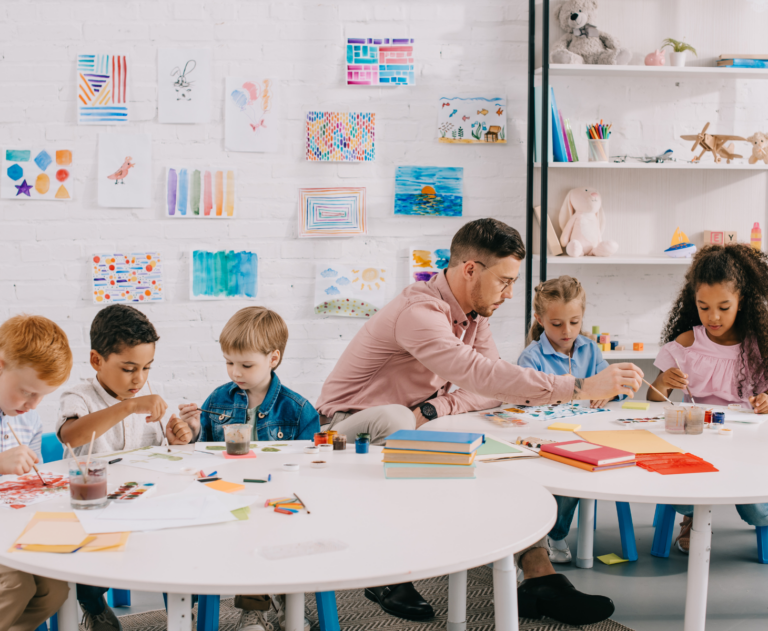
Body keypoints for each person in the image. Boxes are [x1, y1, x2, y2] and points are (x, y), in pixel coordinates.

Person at [316, 218, 644, 626]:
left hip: (415, 420)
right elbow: (483, 375)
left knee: (509, 447)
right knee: (399, 415)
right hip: (343, 429)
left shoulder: (475, 316)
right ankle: (390, 567)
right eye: (504, 281)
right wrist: (579, 386)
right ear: (470, 269)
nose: (510, 294)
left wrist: (439, 408)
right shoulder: (419, 312)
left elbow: (492, 385)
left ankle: (540, 577)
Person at [57, 304, 196, 631]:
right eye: (129, 368)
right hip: (94, 508)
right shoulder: (79, 396)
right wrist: (129, 406)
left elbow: (161, 453)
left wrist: (178, 440)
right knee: (84, 551)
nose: (140, 378)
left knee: (179, 540)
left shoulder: (146, 392)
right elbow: (71, 434)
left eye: (147, 368)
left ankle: (180, 609)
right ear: (97, 361)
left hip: (145, 503)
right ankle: (92, 604)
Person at [184, 307, 319, 631]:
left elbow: (313, 463)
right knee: (238, 528)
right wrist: (189, 431)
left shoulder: (298, 408)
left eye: (246, 364)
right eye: (229, 362)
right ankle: (254, 610)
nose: (235, 372)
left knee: (273, 530)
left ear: (273, 358)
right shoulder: (217, 401)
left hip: (282, 499)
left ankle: (285, 600)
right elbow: (199, 453)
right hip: (229, 497)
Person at [648, 244, 768, 553]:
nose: (713, 317)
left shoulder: (757, 346)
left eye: (723, 307)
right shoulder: (688, 343)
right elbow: (653, 398)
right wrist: (664, 381)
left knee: (756, 510)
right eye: (703, 307)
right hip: (695, 442)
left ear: (742, 301)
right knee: (686, 497)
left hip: (744, 445)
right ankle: (691, 518)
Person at [518, 275, 620, 564]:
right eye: (557, 323)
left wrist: (610, 392)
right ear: (539, 319)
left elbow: (609, 384)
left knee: (579, 471)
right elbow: (525, 403)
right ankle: (547, 534)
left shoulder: (590, 349)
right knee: (562, 473)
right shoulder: (531, 358)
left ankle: (556, 532)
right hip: (545, 437)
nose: (567, 331)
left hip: (586, 434)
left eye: (574, 322)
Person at [0, 315, 72, 631]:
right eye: (28, 391)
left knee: (56, 588)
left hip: (12, 526)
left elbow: (32, 478)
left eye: (42, 395)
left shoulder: (26, 420)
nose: (33, 404)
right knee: (17, 585)